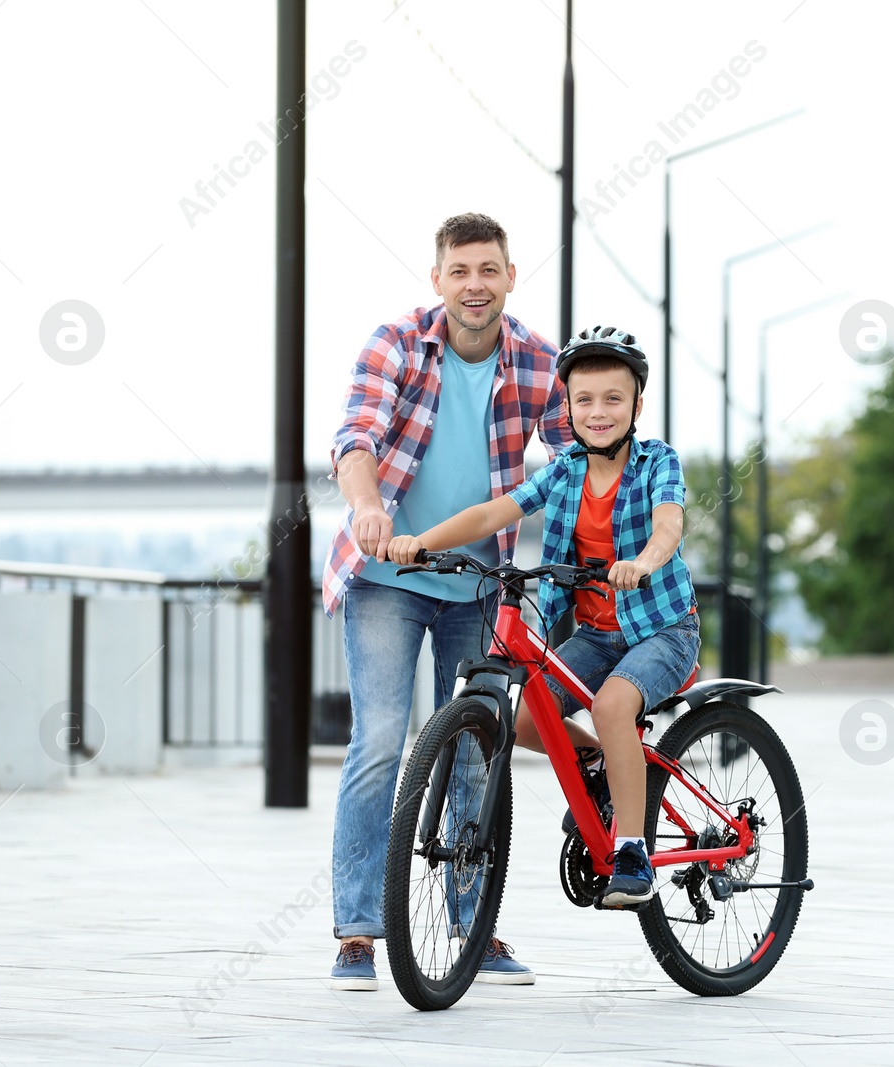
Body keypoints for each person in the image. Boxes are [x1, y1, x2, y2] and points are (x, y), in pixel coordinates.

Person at [324, 213, 569, 991]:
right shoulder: (396, 342)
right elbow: (356, 437)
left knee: (474, 753)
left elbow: (581, 449)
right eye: (460, 271)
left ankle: (474, 927)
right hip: (389, 575)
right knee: (382, 741)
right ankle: (358, 933)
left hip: (476, 581)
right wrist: (368, 509)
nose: (474, 285)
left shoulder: (536, 359)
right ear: (438, 279)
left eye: (488, 270)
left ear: (509, 276)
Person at [386, 325, 700, 908]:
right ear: (569, 406)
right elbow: (491, 514)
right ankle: (604, 765)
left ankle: (632, 849)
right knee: (528, 716)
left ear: (636, 403)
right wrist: (418, 543)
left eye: (613, 399)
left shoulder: (658, 462)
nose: (598, 412)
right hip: (599, 635)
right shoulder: (565, 470)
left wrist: (645, 561)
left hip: (661, 629)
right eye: (584, 400)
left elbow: (669, 523)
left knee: (611, 706)